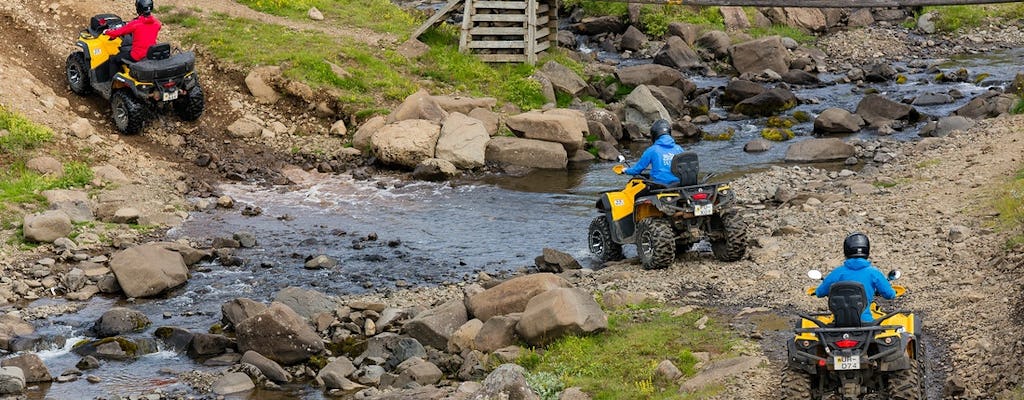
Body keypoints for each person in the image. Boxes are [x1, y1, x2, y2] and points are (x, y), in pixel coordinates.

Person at [815, 232, 897, 323]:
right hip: (865, 321)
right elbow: (889, 294)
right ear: (867, 251)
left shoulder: (837, 273)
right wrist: (893, 292)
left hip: (839, 322)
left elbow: (819, 292)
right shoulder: (874, 273)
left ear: (846, 251)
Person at [617, 119, 684, 187]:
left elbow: (636, 170)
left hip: (660, 185)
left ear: (654, 134)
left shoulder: (652, 150)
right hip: (678, 184)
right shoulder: (679, 149)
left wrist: (625, 170)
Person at [105, 0, 162, 66]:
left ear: (138, 9)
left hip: (137, 56)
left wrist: (106, 31)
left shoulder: (135, 24)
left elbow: (116, 33)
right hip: (150, 54)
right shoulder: (157, 23)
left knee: (113, 59)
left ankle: (114, 76)